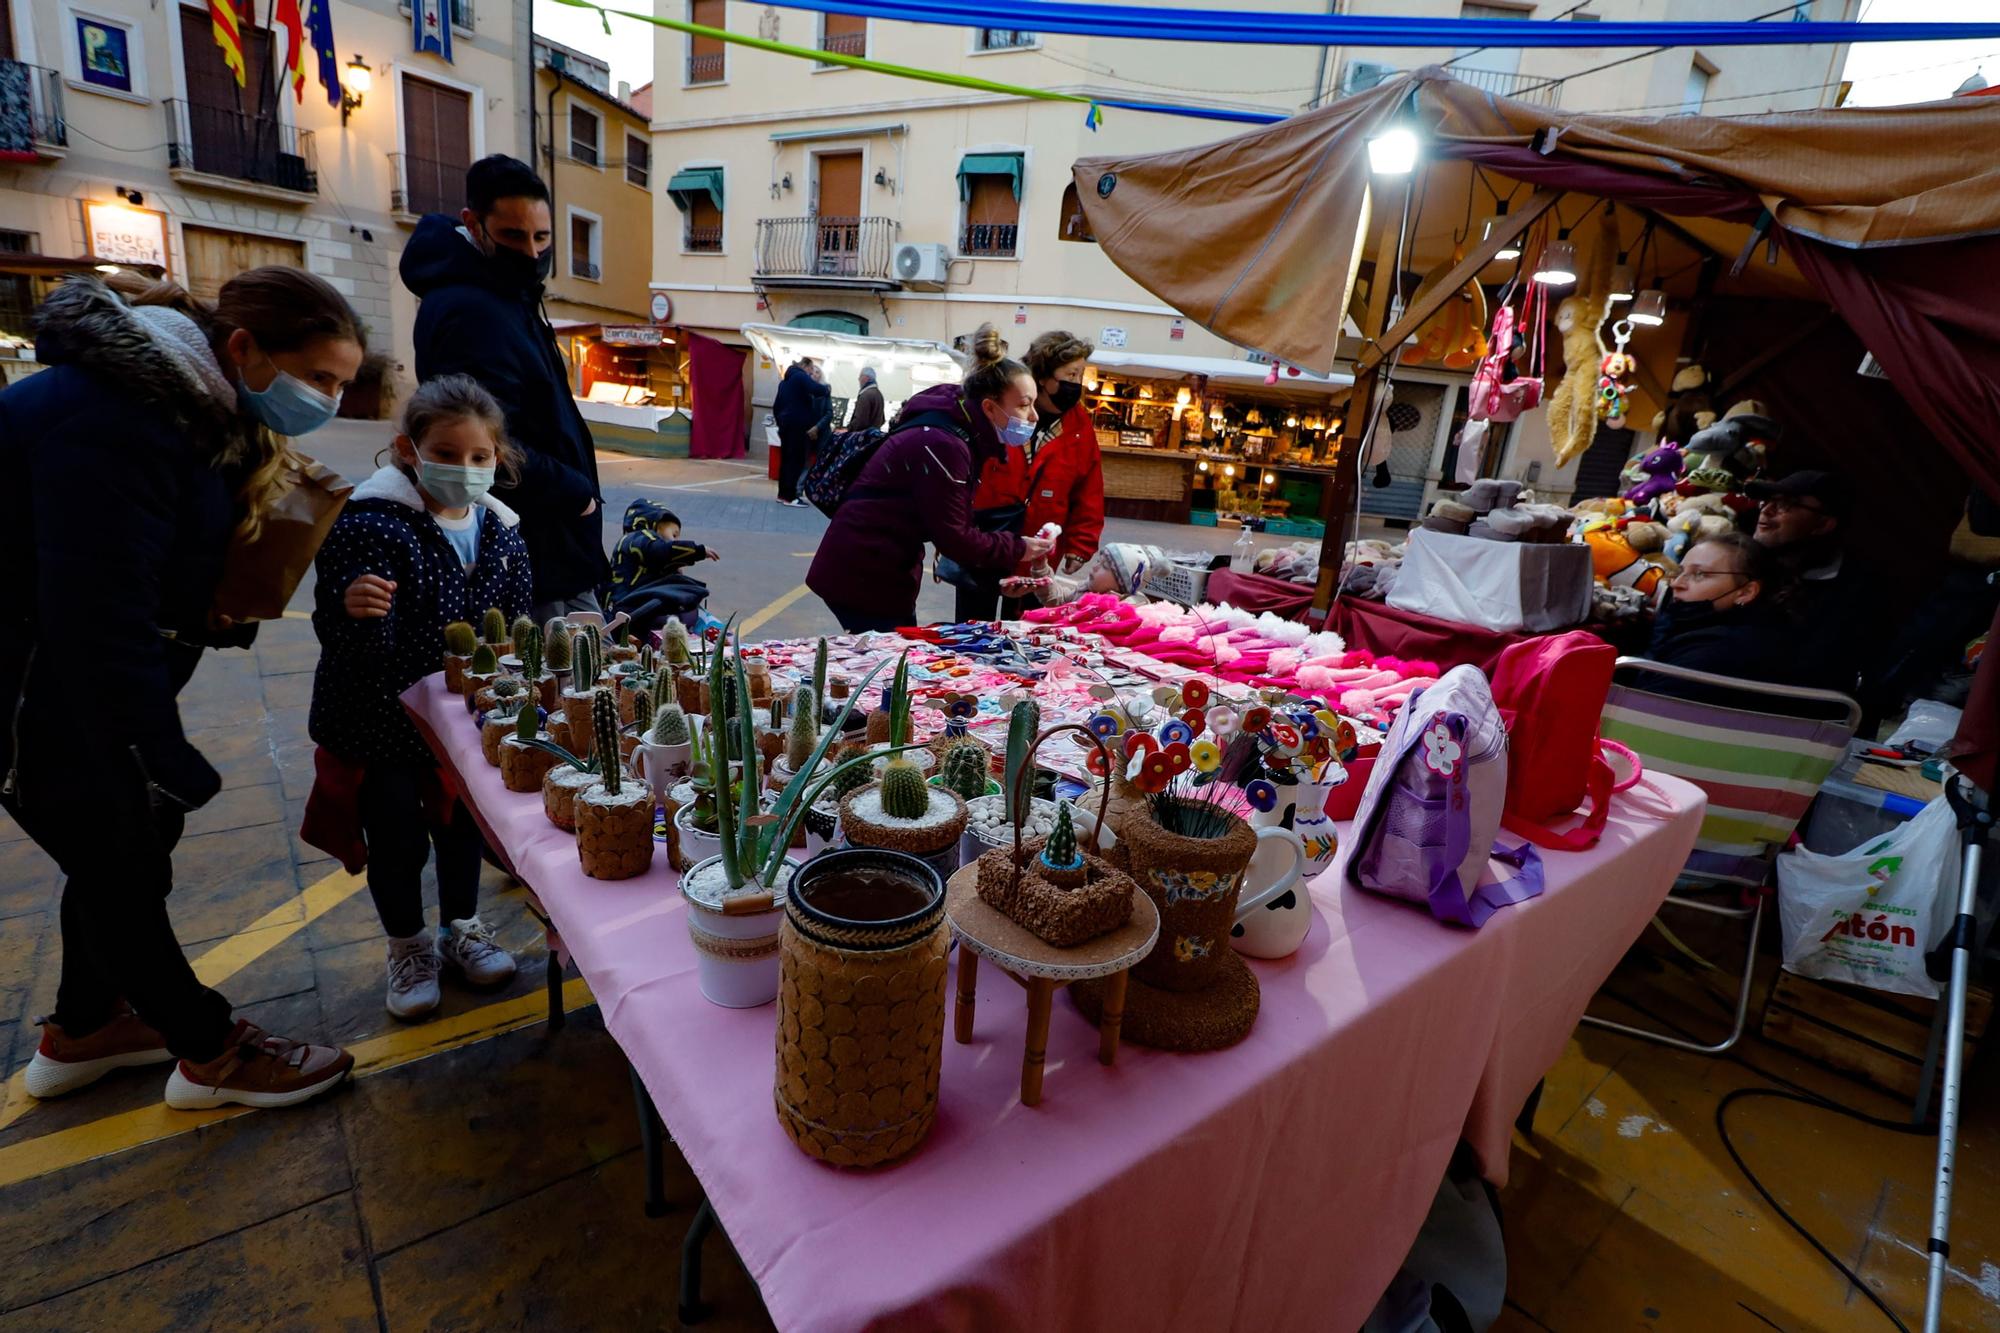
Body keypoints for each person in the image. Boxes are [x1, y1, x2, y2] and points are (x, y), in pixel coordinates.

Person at [1, 269, 362, 1109]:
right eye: (320, 379)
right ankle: (211, 1051)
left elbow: (147, 563)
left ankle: (86, 1027)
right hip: (37, 690)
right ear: (243, 349)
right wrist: (157, 750)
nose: (331, 401)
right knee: (122, 860)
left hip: (68, 679)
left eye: (342, 384)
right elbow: (97, 610)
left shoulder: (182, 408)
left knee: (114, 855)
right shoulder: (113, 419)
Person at [307, 375, 532, 1020]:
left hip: (465, 723)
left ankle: (461, 927)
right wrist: (350, 610)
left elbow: (514, 626)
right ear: (408, 449)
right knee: (398, 837)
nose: (464, 468)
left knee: (462, 829)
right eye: (446, 453)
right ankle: (407, 946)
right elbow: (339, 628)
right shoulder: (372, 524)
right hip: (383, 721)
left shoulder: (501, 530)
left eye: (478, 456)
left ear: (497, 457)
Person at [400, 154, 606, 623]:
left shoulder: (505, 296)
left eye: (542, 237)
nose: (533, 254)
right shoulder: (472, 311)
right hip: (531, 555)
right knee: (561, 680)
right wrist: (573, 492)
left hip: (550, 548)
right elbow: (481, 440)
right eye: (514, 236)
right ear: (473, 224)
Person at [807, 324, 1055, 632]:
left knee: (890, 657)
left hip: (876, 567)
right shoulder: (946, 445)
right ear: (990, 407)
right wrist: (1019, 548)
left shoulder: (956, 428)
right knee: (887, 666)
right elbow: (956, 538)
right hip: (866, 572)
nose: (1033, 416)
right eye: (1023, 404)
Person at [955, 330, 1105, 621]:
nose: (1077, 384)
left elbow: (1089, 488)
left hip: (1039, 554)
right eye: (1071, 375)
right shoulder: (1005, 406)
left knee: (1026, 635)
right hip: (987, 543)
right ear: (1044, 377)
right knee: (972, 628)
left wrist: (1081, 544)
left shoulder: (1078, 425)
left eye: (1081, 375)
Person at [1745, 468, 1872, 695]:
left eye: (1786, 504)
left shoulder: (1852, 594)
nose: (1767, 510)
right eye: (1766, 500)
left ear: (1823, 524)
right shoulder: (1742, 558)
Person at [1647, 532, 1795, 686]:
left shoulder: (1715, 653)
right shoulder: (1694, 625)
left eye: (1699, 574)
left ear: (1745, 592)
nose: (1676, 584)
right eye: (1680, 572)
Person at [607, 499, 721, 637]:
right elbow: (660, 551)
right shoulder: (639, 537)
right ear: (655, 523)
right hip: (634, 608)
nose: (674, 541)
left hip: (631, 607)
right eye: (674, 535)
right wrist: (698, 551)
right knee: (687, 606)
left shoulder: (633, 542)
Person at [773, 357, 830, 507]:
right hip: (796, 426)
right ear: (805, 366)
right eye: (810, 371)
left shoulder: (785, 382)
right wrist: (826, 389)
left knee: (786, 460)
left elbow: (776, 406)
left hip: (786, 425)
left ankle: (782, 493)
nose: (811, 375)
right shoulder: (799, 376)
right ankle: (790, 497)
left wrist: (781, 423)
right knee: (796, 460)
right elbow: (816, 388)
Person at [847, 364, 886, 433]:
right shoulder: (879, 394)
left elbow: (860, 421)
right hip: (873, 437)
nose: (858, 379)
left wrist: (849, 429)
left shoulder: (865, 395)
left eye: (860, 376)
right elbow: (882, 419)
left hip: (862, 437)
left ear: (866, 378)